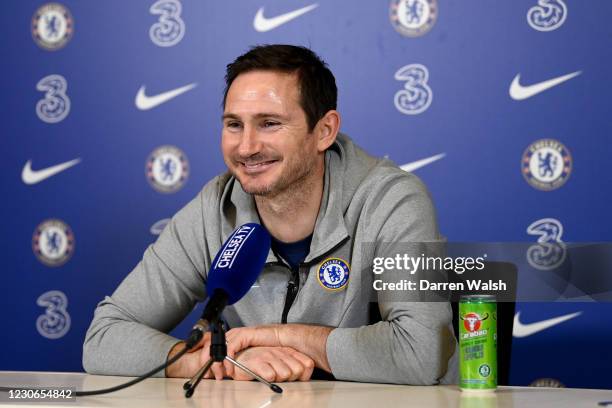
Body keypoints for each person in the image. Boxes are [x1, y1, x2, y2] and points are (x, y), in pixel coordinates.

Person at [83, 44, 458, 384]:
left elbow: (421, 353)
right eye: (234, 125)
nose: (246, 147)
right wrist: (218, 359)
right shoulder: (213, 207)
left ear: (324, 131)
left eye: (269, 123)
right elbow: (104, 338)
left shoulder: (393, 200)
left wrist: (275, 337)